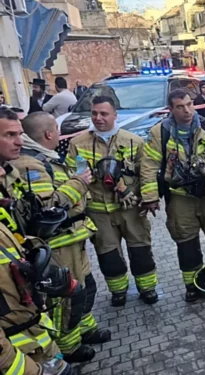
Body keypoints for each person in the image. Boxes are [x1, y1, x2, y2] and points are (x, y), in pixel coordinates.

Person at [12, 112, 111, 363]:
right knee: (68, 296)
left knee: (87, 286)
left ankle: (85, 330)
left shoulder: (47, 159)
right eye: (56, 128)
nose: (59, 133)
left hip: (73, 238)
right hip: (58, 244)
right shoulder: (30, 165)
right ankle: (70, 346)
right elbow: (49, 208)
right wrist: (79, 182)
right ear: (48, 134)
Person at [0, 107, 79, 375]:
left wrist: (35, 257)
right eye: (10, 135)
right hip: (9, 325)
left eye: (19, 134)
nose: (20, 142)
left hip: (26, 303)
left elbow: (24, 222)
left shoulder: (10, 174)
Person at [140, 89, 205, 302]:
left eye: (190, 104)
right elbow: (148, 165)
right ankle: (193, 286)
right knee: (186, 243)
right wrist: (151, 197)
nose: (187, 110)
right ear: (170, 109)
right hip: (180, 196)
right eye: (180, 107)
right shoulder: (160, 133)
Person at [66, 95, 158, 307]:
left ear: (115, 115)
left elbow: (147, 174)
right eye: (94, 113)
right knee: (108, 256)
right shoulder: (77, 144)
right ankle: (118, 291)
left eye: (104, 113)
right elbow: (71, 177)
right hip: (98, 211)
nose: (98, 118)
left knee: (140, 250)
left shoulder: (134, 141)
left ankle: (147, 288)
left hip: (131, 208)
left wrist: (147, 199)